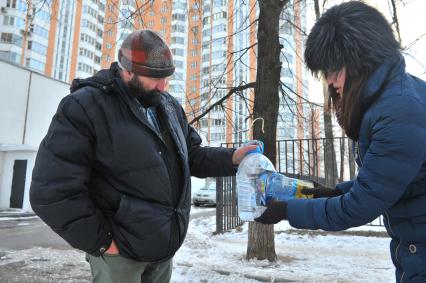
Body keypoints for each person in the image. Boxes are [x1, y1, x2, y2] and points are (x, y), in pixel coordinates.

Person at [30, 29, 256, 283]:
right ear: (127, 70)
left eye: (166, 78)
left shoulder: (168, 106)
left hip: (162, 250)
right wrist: (103, 243)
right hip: (120, 256)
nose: (162, 86)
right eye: (154, 78)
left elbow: (190, 155)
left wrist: (234, 158)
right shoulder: (85, 107)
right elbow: (51, 192)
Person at [255, 2, 426, 282]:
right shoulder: (396, 98)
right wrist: (331, 193)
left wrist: (285, 210)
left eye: (334, 68)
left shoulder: (399, 111)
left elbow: (359, 207)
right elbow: (388, 183)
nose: (330, 80)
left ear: (361, 59)